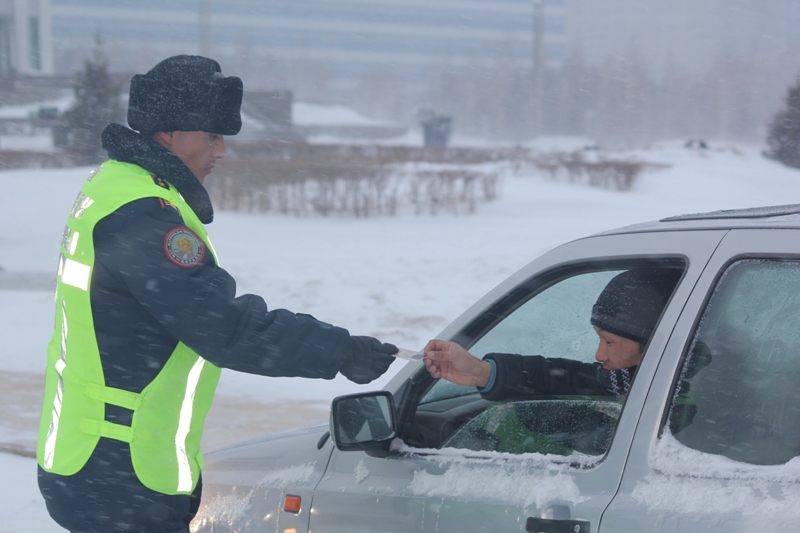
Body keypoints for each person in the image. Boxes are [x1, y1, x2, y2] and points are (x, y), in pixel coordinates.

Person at [36, 55, 398, 533]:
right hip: (120, 470)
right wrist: (341, 351)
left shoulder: (116, 186)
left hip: (101, 462)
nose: (222, 150)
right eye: (212, 135)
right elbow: (224, 328)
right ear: (169, 132)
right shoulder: (142, 213)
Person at [424, 268, 681, 401]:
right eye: (599, 338)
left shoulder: (683, 398)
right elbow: (567, 379)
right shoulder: (632, 379)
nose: (599, 354)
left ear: (654, 343)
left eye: (610, 341)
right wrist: (481, 372)